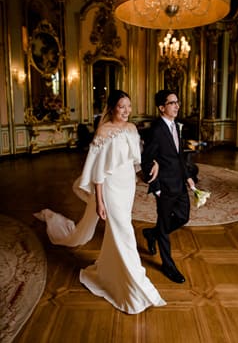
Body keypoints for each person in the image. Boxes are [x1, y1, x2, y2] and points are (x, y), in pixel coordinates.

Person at [34, 90, 166, 314]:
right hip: (110, 188)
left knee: (118, 232)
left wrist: (154, 164)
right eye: (121, 107)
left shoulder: (132, 129)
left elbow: (136, 162)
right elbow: (97, 169)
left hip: (127, 186)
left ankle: (108, 271)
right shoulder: (103, 131)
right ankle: (135, 285)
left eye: (129, 106)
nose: (126, 111)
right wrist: (100, 200)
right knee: (124, 231)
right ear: (112, 108)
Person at [141, 89, 197, 284]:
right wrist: (156, 187)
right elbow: (146, 160)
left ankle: (151, 233)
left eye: (177, 102)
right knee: (165, 227)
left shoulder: (175, 126)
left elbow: (178, 155)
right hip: (164, 187)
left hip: (179, 183)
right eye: (172, 103)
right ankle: (168, 266)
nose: (177, 106)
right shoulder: (156, 130)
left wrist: (188, 177)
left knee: (183, 216)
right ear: (162, 107)